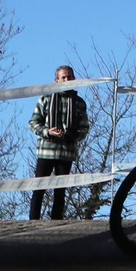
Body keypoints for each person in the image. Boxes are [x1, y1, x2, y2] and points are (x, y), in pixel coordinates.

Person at [28, 65, 90, 220]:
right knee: (39, 188)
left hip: (66, 152)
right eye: (63, 77)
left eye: (69, 77)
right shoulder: (45, 99)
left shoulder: (79, 103)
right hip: (46, 151)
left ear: (74, 79)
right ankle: (33, 221)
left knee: (60, 190)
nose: (67, 80)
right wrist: (47, 132)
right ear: (56, 80)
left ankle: (56, 220)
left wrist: (74, 135)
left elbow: (84, 127)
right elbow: (33, 123)